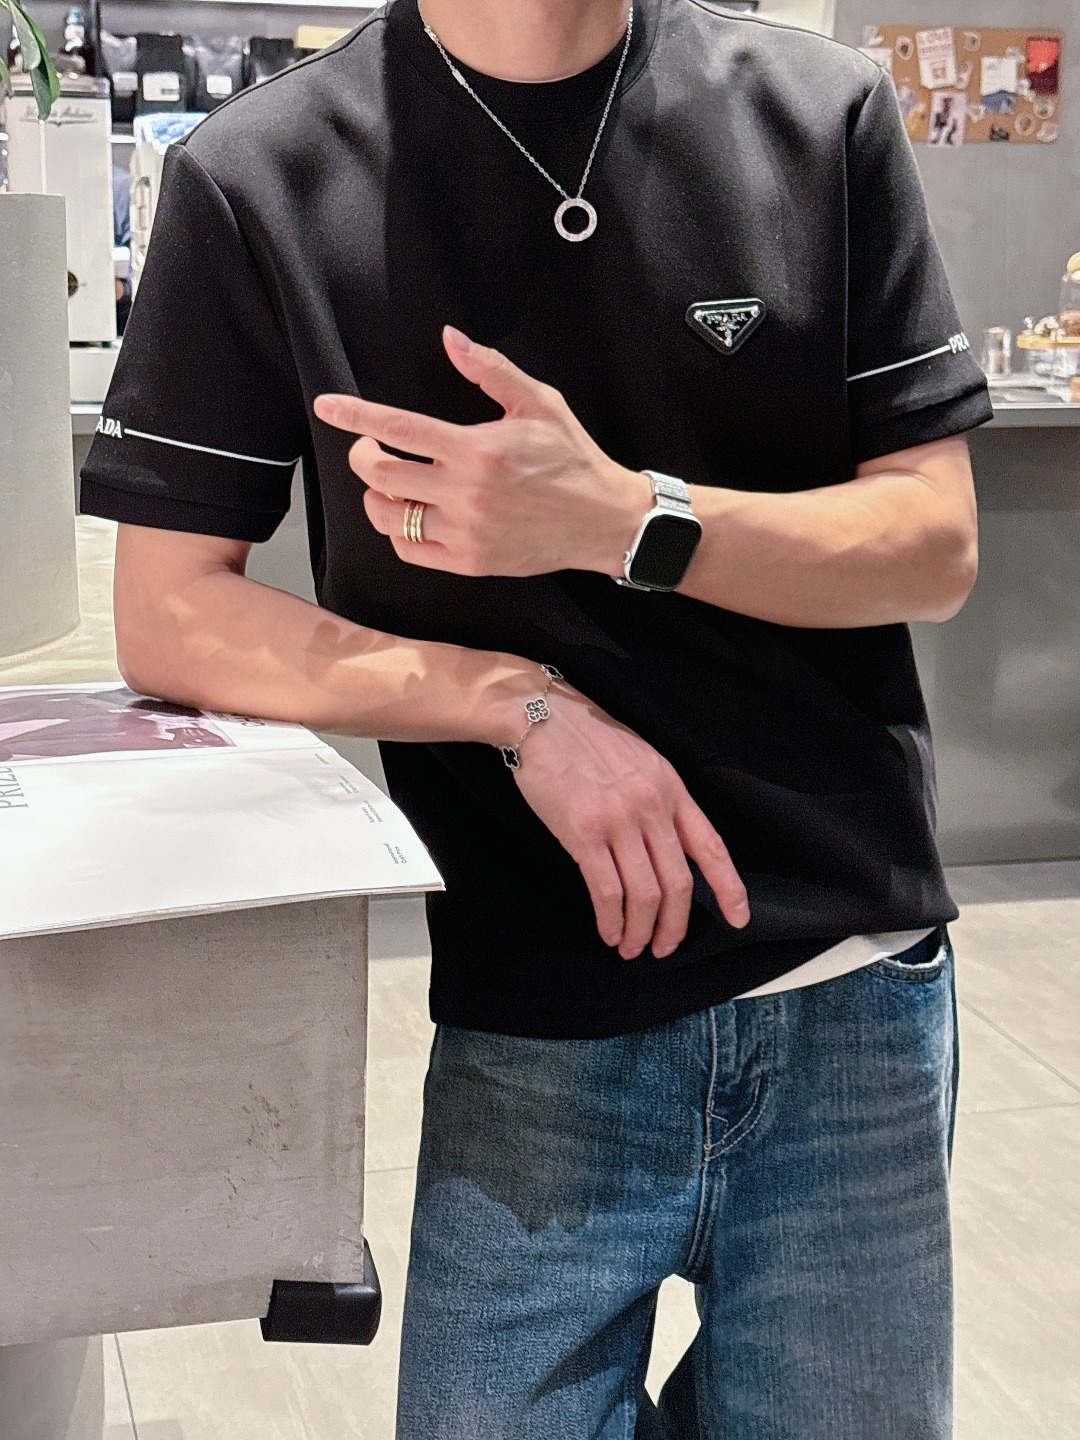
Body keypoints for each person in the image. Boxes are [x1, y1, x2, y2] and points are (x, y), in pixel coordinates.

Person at [80, 1, 992, 1433]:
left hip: (848, 982)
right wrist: (515, 704)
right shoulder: (264, 174)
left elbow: (931, 545)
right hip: (532, 1011)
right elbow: (172, 610)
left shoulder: (817, 114)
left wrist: (626, 521)